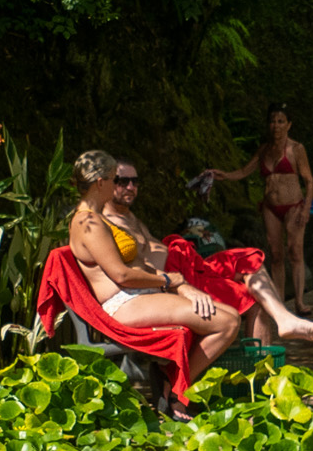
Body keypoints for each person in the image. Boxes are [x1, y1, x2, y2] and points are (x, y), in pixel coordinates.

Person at [65, 150, 239, 410]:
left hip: (138, 296)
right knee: (226, 323)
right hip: (123, 303)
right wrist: (171, 282)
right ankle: (176, 392)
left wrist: (182, 284)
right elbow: (121, 275)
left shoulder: (98, 218)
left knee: (229, 315)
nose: (117, 186)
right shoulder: (88, 222)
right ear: (100, 182)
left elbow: (133, 266)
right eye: (114, 180)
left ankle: (171, 381)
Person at [103, 157, 313, 343]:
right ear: (104, 183)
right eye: (123, 181)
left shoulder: (130, 217)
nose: (131, 187)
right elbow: (131, 269)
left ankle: (284, 320)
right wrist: (177, 285)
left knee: (248, 258)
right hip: (174, 281)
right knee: (251, 297)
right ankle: (263, 372)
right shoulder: (104, 223)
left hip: (187, 265)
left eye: (135, 181)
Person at [200, 106, 313, 312]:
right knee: (276, 253)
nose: (276, 126)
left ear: (289, 125)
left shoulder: (297, 149)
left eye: (281, 121)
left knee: (295, 251)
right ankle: (279, 302)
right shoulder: (264, 150)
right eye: (273, 121)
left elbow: (309, 181)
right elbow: (245, 170)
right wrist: (224, 175)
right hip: (270, 206)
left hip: (294, 206)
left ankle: (299, 301)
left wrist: (306, 209)